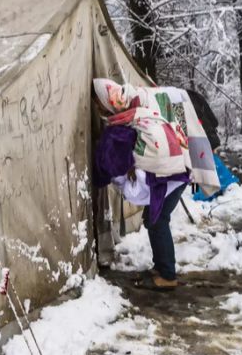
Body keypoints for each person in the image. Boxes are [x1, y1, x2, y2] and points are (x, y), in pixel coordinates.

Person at [93, 79, 220, 291]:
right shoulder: (135, 110)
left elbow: (159, 146)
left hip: (173, 174)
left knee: (158, 220)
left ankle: (167, 275)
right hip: (171, 173)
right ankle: (162, 267)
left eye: (100, 104)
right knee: (153, 218)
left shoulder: (139, 110)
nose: (100, 109)